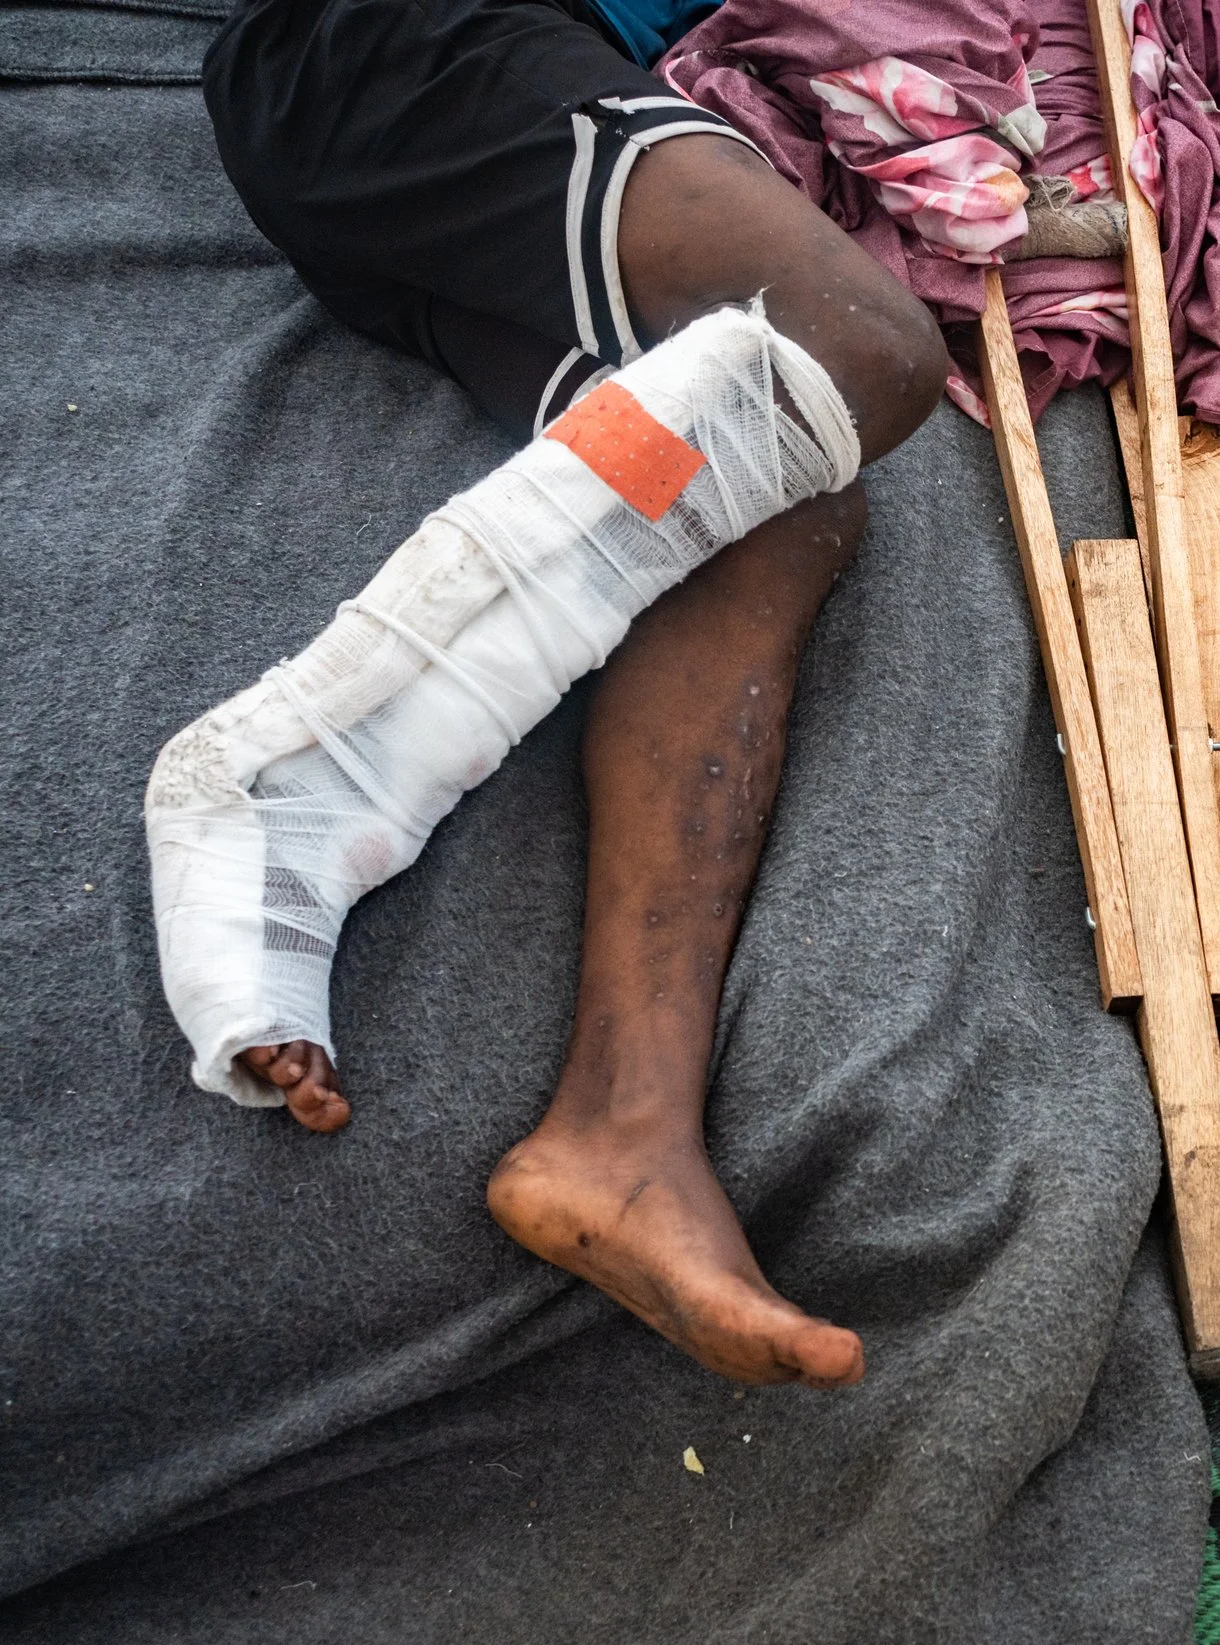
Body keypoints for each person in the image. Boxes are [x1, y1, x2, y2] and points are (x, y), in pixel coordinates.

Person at [193, 0, 951, 1388]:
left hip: (410, 147)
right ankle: (290, 772)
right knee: (860, 344)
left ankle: (621, 1133)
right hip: (399, 50)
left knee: (780, 490)